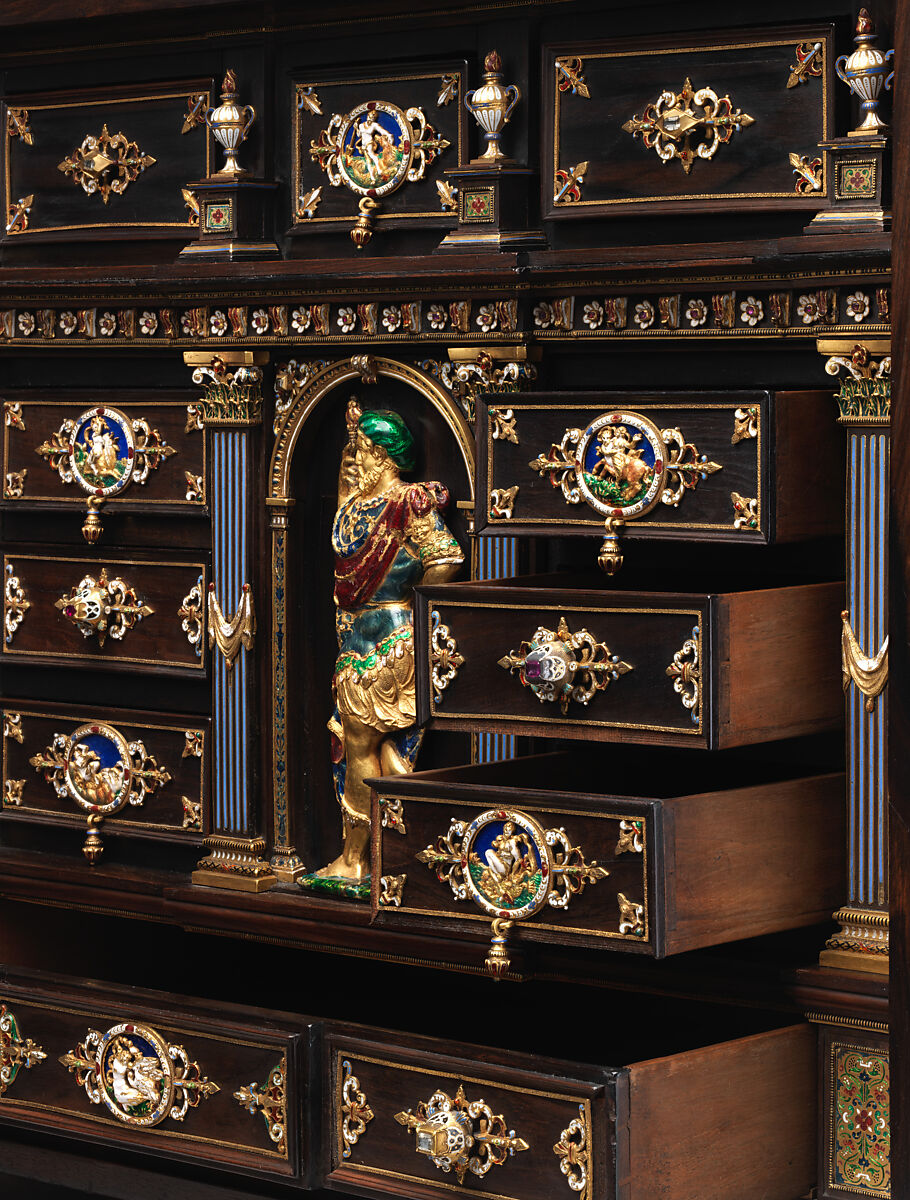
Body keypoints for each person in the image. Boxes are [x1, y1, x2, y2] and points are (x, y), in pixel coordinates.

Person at [315, 398, 463, 883]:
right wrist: (350, 428)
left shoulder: (406, 502)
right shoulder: (355, 506)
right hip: (356, 639)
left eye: (359, 450)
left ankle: (357, 861)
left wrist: (415, 605)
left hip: (391, 639)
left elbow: (446, 557)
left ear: (382, 455)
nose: (353, 459)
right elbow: (343, 484)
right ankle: (399, 854)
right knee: (364, 746)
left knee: (359, 746)